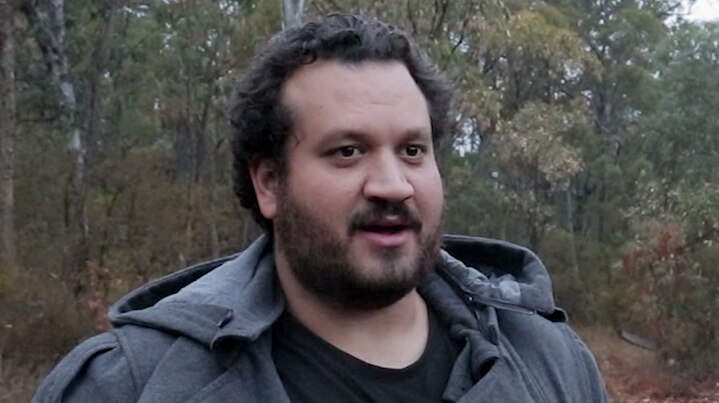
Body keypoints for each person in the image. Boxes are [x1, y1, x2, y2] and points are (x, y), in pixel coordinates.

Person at [34, 13, 607, 403]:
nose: (392, 185)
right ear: (268, 183)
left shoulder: (548, 361)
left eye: (412, 150)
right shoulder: (128, 384)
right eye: (347, 151)